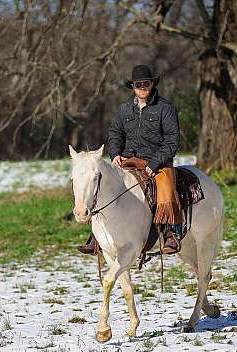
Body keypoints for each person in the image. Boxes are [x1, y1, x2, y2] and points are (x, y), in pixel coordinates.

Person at [77, 64, 183, 255]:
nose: (142, 87)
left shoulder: (165, 108)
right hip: (128, 160)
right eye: (138, 84)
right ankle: (97, 237)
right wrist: (115, 153)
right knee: (103, 185)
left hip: (157, 163)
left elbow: (172, 140)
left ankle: (169, 233)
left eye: (146, 83)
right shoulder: (124, 109)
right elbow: (115, 134)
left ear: (152, 84)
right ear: (132, 86)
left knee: (166, 189)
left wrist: (155, 162)